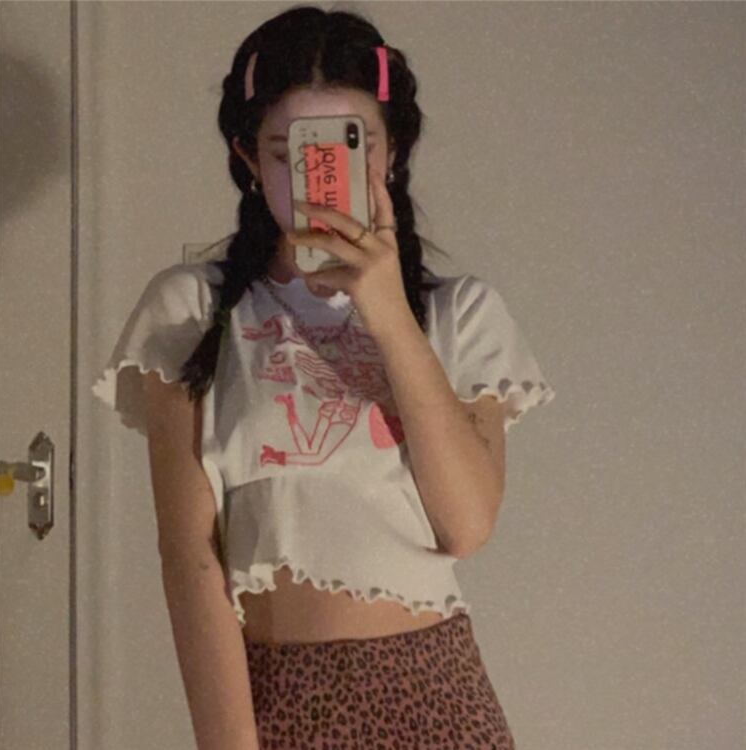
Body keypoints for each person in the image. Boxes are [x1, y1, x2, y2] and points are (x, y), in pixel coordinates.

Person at [91, 5, 556, 749]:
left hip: (438, 698)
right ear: (248, 158)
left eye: (349, 146)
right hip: (276, 697)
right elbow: (189, 555)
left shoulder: (461, 315)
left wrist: (387, 310)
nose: (317, 178)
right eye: (287, 154)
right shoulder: (192, 309)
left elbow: (466, 526)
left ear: (391, 150)